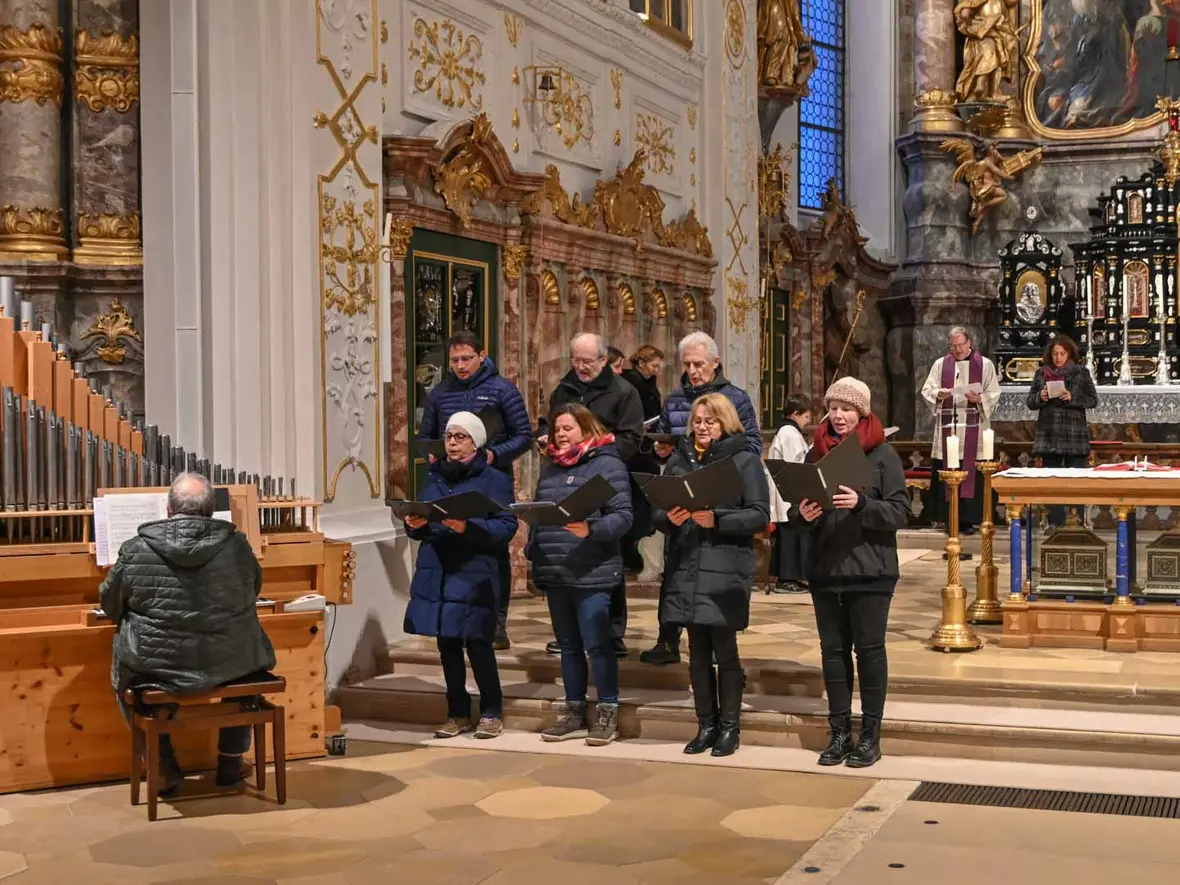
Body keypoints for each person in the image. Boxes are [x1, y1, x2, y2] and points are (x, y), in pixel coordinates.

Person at [100, 473, 277, 796]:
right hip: (229, 659)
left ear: (168, 510)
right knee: (250, 661)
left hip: (157, 664)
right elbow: (252, 589)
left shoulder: (135, 548)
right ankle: (230, 761)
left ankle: (163, 765)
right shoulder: (238, 546)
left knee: (124, 679)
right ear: (211, 512)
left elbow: (110, 603)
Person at [792, 378, 910, 769]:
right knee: (834, 652)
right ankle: (840, 732)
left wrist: (862, 504)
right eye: (833, 407)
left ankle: (870, 735)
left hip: (870, 568)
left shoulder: (882, 455)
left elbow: (899, 512)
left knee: (869, 651)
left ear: (862, 412)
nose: (839, 416)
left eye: (847, 409)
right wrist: (801, 514)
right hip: (827, 568)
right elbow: (799, 507)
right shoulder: (815, 454)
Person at [655, 393, 769, 757]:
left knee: (725, 649)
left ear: (726, 423)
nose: (702, 427)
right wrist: (667, 519)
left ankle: (729, 727)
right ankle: (705, 724)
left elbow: (758, 515)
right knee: (697, 651)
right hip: (687, 562)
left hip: (724, 564)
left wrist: (717, 519)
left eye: (710, 421)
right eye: (698, 421)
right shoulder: (680, 459)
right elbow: (659, 510)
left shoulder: (744, 460)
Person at [641, 331, 762, 665]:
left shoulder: (735, 398)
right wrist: (661, 450)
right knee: (676, 563)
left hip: (720, 492)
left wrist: (717, 464)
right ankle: (667, 639)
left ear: (715, 363)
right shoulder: (676, 400)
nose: (693, 370)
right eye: (687, 364)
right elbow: (666, 445)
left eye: (699, 364)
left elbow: (751, 445)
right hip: (684, 490)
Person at [402, 412, 517, 741]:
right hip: (438, 568)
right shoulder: (434, 475)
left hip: (475, 570)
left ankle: (492, 710)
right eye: (449, 436)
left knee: (479, 644)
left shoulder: (494, 479)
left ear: (476, 442)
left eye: (460, 436)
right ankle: (457, 712)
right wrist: (414, 526)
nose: (452, 442)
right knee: (447, 644)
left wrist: (468, 527)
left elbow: (506, 527)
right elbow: (423, 517)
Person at [417, 330, 532, 650]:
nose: (460, 365)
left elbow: (524, 436)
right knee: (451, 544)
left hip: (490, 478)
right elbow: (427, 433)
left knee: (491, 546)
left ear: (482, 356)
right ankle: (452, 616)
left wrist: (495, 454)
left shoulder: (502, 389)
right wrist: (433, 450)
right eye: (454, 360)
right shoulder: (440, 393)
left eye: (466, 358)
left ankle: (496, 623)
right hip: (451, 478)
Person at [527, 404, 633, 746]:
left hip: (593, 569)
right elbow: (541, 509)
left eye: (567, 428)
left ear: (586, 428)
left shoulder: (608, 464)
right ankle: (574, 710)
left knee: (597, 644)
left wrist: (591, 529)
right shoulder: (551, 467)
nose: (560, 434)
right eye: (557, 428)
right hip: (557, 569)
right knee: (568, 646)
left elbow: (622, 517)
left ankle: (607, 710)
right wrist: (534, 549)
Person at [537, 333, 644, 657]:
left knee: (608, 558)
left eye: (587, 361)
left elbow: (631, 439)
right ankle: (568, 629)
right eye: (575, 360)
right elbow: (548, 423)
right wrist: (544, 436)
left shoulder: (624, 393)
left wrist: (594, 450)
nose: (580, 367)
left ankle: (612, 631)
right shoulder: (565, 389)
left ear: (603, 360)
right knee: (566, 553)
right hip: (564, 478)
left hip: (603, 481)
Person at [919, 327, 1000, 534]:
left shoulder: (985, 365)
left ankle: (969, 519)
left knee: (971, 470)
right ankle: (948, 519)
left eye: (961, 345)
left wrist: (979, 399)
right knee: (948, 470)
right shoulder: (941, 364)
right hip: (949, 427)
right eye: (953, 346)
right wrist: (940, 394)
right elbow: (927, 390)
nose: (957, 350)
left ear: (969, 343)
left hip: (974, 428)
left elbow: (994, 392)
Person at [1026, 334, 1098, 529]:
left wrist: (1072, 397)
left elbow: (1093, 399)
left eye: (1062, 354)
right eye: (1055, 354)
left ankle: (1076, 523)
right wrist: (1040, 397)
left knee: (1076, 480)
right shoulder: (1042, 373)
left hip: (1073, 434)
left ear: (1069, 354)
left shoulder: (1081, 373)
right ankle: (1054, 523)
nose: (1058, 358)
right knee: (1053, 480)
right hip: (1050, 434)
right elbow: (1030, 402)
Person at [620, 344, 666, 574]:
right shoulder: (630, 383)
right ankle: (632, 550)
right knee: (636, 500)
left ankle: (639, 545)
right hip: (634, 451)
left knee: (647, 499)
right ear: (641, 363)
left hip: (647, 446)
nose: (657, 370)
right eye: (654, 365)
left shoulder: (648, 383)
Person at [767, 394, 813, 593]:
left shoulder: (788, 432)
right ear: (795, 414)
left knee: (791, 537)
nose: (807, 421)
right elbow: (796, 463)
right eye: (806, 417)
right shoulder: (789, 433)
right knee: (790, 538)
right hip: (788, 494)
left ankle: (791, 576)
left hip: (787, 492)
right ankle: (786, 578)